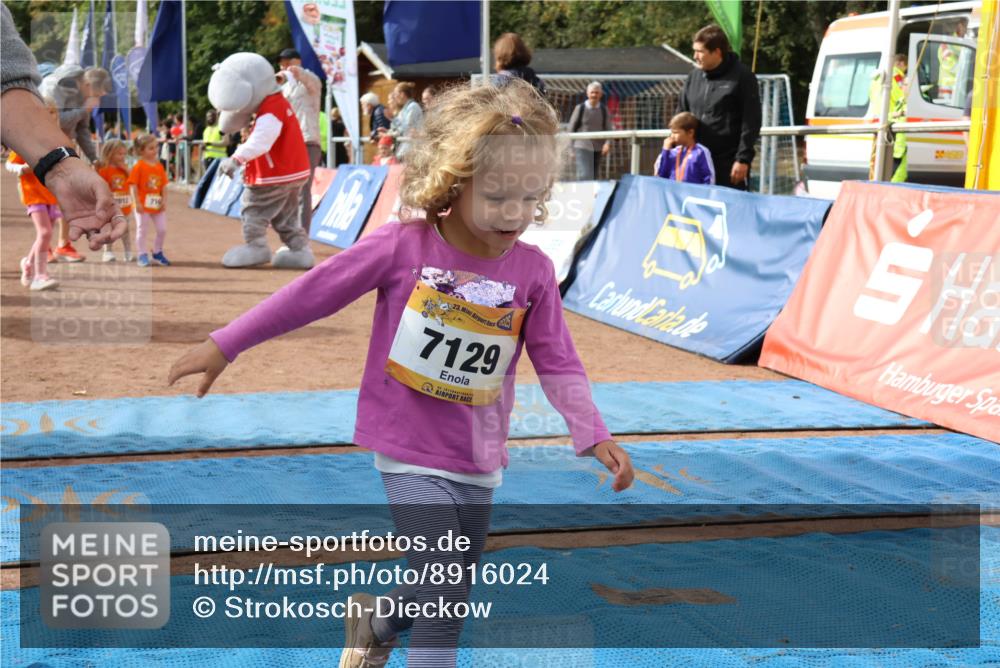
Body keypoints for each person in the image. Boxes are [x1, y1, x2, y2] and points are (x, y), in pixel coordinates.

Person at [167, 78, 634, 668]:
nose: (515, 216)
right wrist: (226, 343)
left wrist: (592, 431)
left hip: (480, 456)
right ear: (454, 179)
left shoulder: (534, 272)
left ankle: (376, 623)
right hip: (408, 449)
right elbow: (312, 294)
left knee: (448, 580)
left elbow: (557, 357)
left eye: (530, 199)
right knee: (444, 588)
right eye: (498, 198)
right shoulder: (401, 247)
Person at [1, 3, 126, 251]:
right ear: (90, 84)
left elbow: (8, 85)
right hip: (33, 155)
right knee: (44, 215)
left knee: (58, 210)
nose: (98, 98)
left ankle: (58, 244)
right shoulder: (63, 87)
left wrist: (77, 163)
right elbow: (51, 117)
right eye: (98, 92)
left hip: (49, 154)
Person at [678, 24, 761, 190]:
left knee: (729, 213)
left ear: (717, 52)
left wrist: (743, 159)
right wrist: (675, 146)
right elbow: (681, 115)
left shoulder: (742, 77)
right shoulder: (693, 77)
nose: (695, 56)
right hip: (695, 161)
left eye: (700, 51)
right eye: (694, 51)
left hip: (728, 165)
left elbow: (751, 121)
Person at [278, 48, 323, 233]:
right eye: (282, 62)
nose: (283, 65)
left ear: (297, 61)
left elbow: (307, 78)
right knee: (288, 190)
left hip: (308, 141)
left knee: (303, 190)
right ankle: (290, 233)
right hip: (289, 143)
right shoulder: (284, 87)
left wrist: (295, 71)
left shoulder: (310, 80)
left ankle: (301, 236)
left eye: (288, 61)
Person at [6, 142, 61, 291]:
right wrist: (23, 169)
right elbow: (9, 164)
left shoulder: (51, 144)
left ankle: (28, 263)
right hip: (33, 195)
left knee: (44, 236)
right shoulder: (25, 144)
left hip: (51, 195)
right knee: (45, 233)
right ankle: (40, 275)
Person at [128, 133, 170, 267]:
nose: (155, 150)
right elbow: (133, 185)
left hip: (156, 205)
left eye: (156, 147)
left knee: (162, 229)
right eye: (151, 148)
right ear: (141, 151)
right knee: (142, 229)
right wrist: (137, 202)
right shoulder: (139, 166)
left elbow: (163, 185)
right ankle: (142, 254)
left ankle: (157, 252)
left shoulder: (159, 166)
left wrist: (164, 201)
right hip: (142, 206)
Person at [868, 53, 909, 183]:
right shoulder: (897, 77)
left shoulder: (877, 78)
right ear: (901, 64)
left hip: (879, 125)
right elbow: (903, 99)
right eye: (905, 67)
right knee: (898, 170)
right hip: (895, 127)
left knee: (878, 167)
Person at [96, 139, 135, 262]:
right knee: (109, 229)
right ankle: (108, 251)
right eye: (119, 154)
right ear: (109, 153)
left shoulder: (126, 169)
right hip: (110, 208)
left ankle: (128, 252)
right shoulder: (104, 170)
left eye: (124, 154)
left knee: (126, 230)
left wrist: (126, 169)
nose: (122, 157)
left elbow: (134, 180)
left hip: (125, 206)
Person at [567, 81, 612, 180]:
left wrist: (607, 143)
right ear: (587, 93)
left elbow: (609, 129)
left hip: (597, 148)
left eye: (596, 92)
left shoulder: (604, 110)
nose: (594, 95)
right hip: (581, 146)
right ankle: (582, 193)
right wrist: (570, 148)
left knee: (594, 175)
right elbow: (571, 129)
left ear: (600, 94)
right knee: (585, 173)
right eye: (592, 92)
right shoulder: (580, 108)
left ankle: (590, 194)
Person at [655, 112, 715, 185]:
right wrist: (665, 151)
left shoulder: (701, 152)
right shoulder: (671, 152)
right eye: (671, 132)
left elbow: (709, 178)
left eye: (675, 133)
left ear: (690, 133)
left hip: (693, 195)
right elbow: (661, 175)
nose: (672, 136)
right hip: (672, 195)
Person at [383, 82, 423, 160]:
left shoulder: (413, 107)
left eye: (395, 94)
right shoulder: (404, 109)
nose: (394, 97)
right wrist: (387, 133)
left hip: (412, 148)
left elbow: (406, 127)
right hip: (405, 146)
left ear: (402, 94)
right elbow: (399, 128)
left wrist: (392, 118)